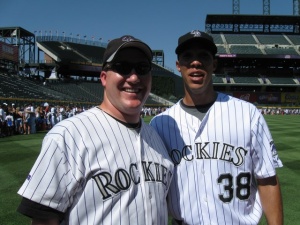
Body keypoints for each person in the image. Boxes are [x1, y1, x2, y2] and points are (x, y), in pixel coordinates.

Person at [17, 35, 174, 225]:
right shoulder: (67, 135)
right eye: (123, 67)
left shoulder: (156, 138)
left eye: (142, 69)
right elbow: (43, 219)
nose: (134, 77)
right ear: (104, 78)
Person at [150, 30, 283, 225]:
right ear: (179, 66)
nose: (196, 62)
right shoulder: (160, 123)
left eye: (203, 56)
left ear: (214, 64)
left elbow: (267, 179)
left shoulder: (248, 114)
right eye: (188, 57)